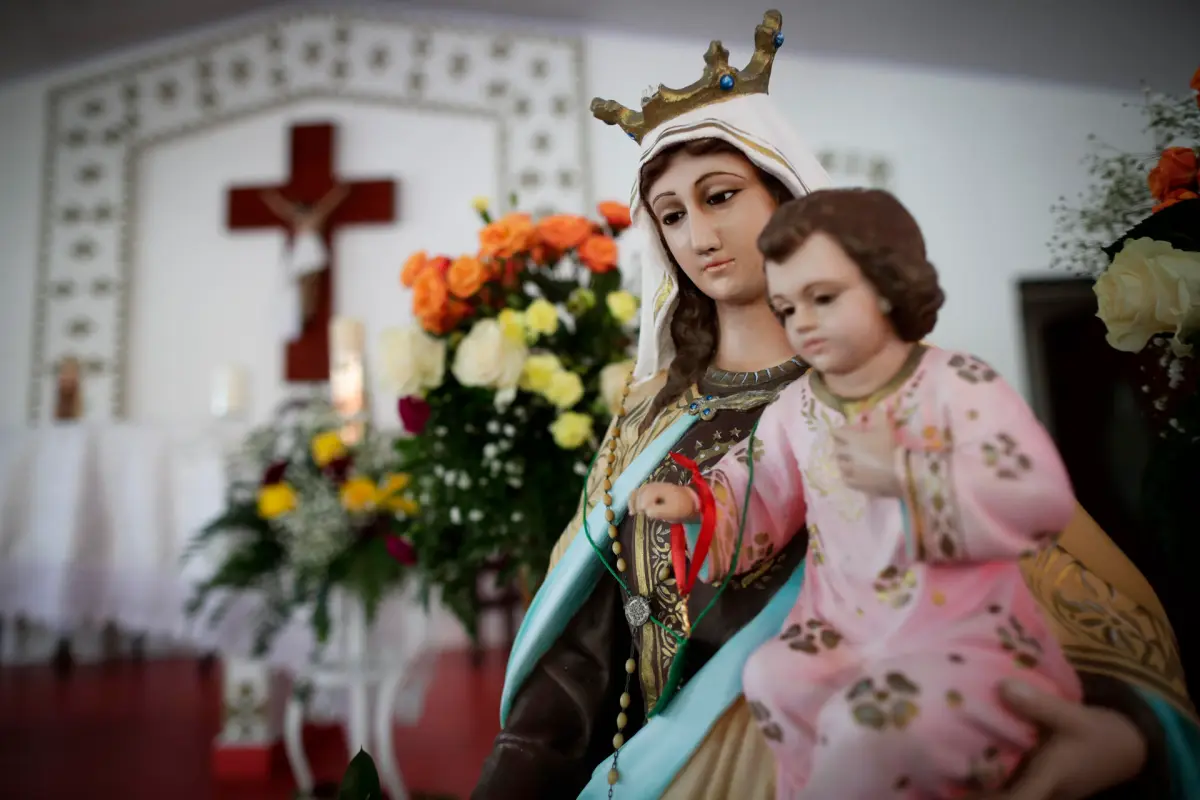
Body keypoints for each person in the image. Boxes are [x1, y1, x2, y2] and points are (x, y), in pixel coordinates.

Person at [474, 10, 1200, 800]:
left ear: (788, 201)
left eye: (721, 196)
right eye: (672, 214)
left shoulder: (900, 391)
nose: (698, 234)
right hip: (672, 761)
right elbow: (583, 652)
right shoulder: (654, 415)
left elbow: (1079, 592)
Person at [631, 188, 1087, 798]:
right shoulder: (798, 405)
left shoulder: (955, 383)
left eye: (823, 298)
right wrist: (699, 504)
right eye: (787, 308)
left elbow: (1038, 496)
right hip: (842, 627)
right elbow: (762, 483)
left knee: (866, 724)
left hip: (957, 630)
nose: (802, 322)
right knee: (773, 678)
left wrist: (906, 472)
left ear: (887, 284)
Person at [260, 183, 349, 337]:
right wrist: (271, 198)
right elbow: (282, 208)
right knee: (301, 288)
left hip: (312, 254)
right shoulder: (297, 219)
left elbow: (328, 204)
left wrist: (339, 193)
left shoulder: (315, 217)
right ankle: (303, 313)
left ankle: (309, 312)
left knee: (311, 286)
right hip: (301, 255)